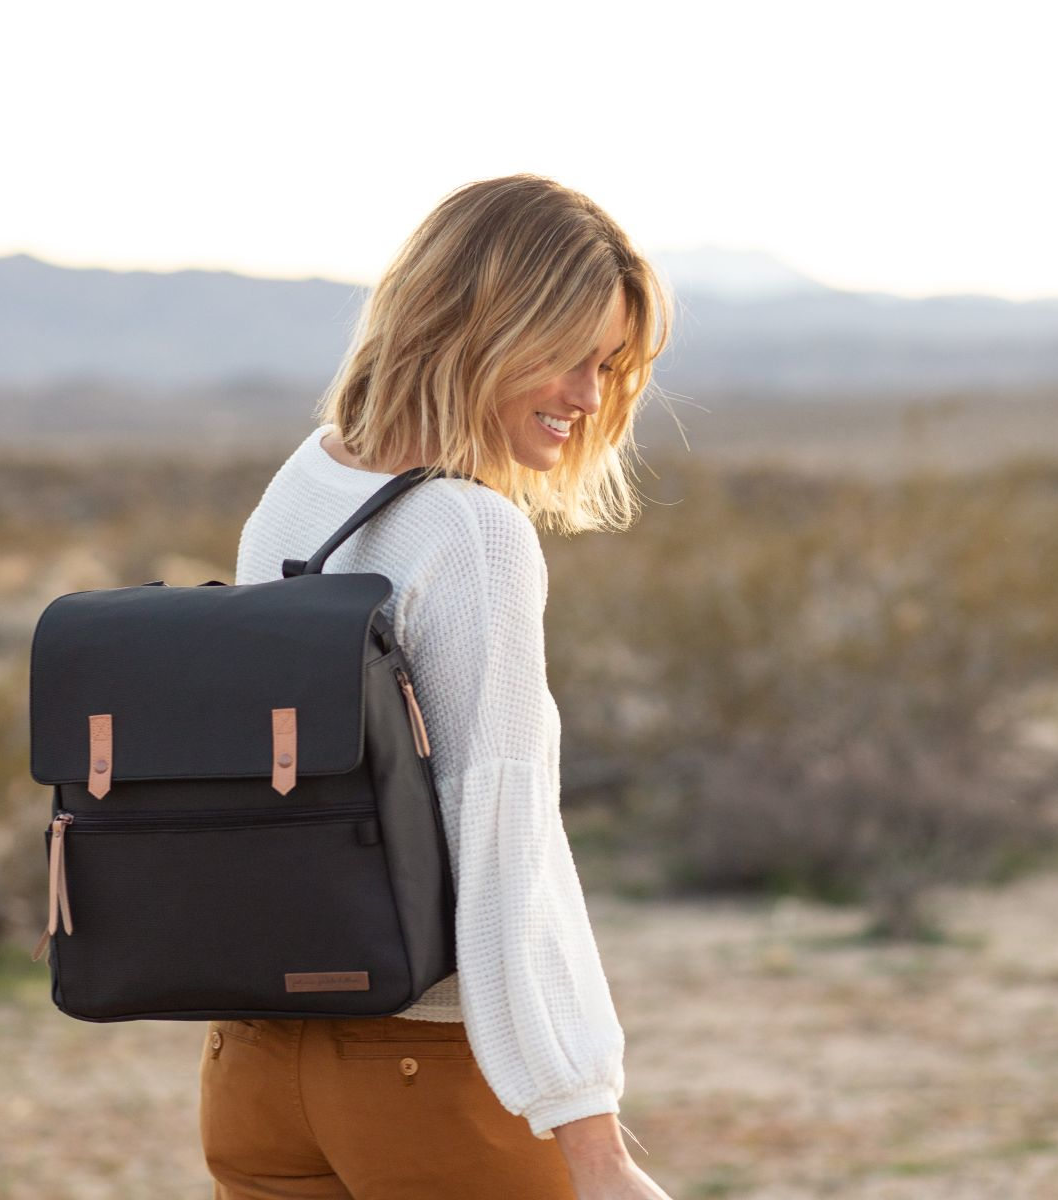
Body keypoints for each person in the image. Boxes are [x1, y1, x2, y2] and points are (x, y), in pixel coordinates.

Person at [199, 174, 675, 1200]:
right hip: (427, 1081)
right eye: (564, 355)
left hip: (256, 1068)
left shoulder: (307, 481)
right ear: (476, 326)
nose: (590, 399)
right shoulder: (471, 533)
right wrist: (593, 1142)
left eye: (609, 365)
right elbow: (503, 849)